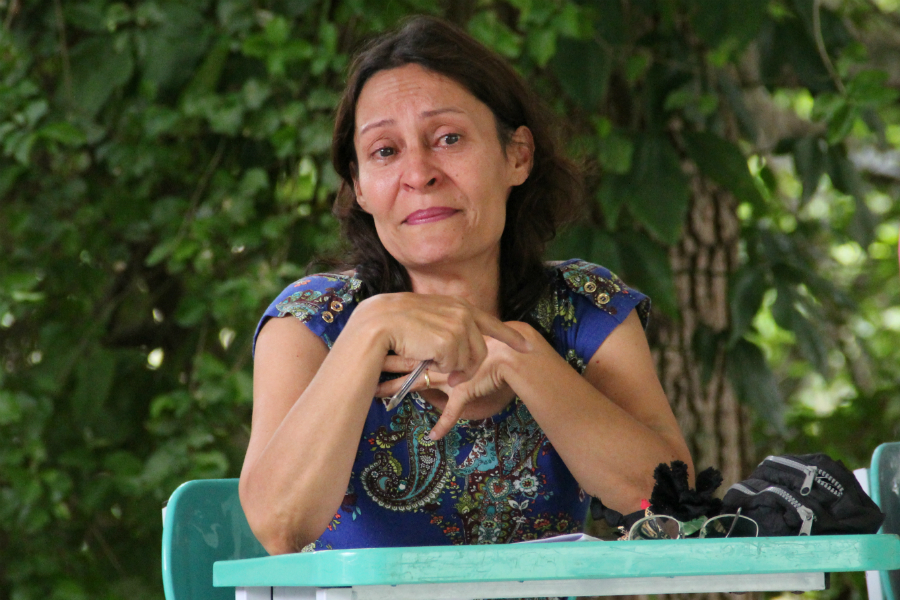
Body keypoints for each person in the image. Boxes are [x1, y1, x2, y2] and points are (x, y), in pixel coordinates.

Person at [239, 15, 693, 555]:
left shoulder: (583, 307)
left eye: (448, 138)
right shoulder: (312, 320)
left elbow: (669, 503)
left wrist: (520, 358)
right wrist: (370, 329)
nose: (419, 174)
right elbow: (279, 528)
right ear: (359, 187)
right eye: (385, 151)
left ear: (517, 156)